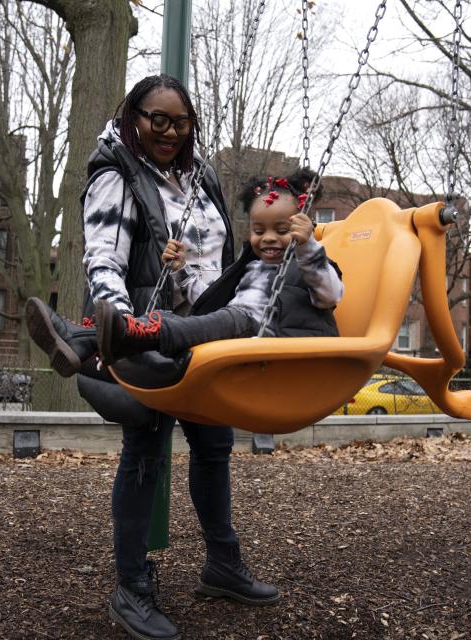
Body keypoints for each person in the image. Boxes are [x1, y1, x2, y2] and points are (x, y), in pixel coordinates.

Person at [24, 75, 278, 640]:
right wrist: (122, 327)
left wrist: (254, 270)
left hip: (204, 333)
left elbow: (216, 258)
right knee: (145, 449)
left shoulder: (203, 174)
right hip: (152, 332)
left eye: (179, 121)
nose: (167, 131)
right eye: (155, 118)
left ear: (192, 126)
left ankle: (222, 565)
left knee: (214, 445)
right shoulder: (117, 172)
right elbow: (104, 258)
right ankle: (132, 587)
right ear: (132, 115)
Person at [92, 168, 344, 365]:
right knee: (182, 318)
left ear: (300, 228)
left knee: (223, 320)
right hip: (236, 329)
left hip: (271, 343)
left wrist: (308, 246)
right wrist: (181, 270)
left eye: (282, 230)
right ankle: (86, 339)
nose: (268, 237)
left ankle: (135, 334)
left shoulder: (308, 265)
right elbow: (211, 301)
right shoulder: (250, 269)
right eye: (258, 230)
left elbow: (331, 294)